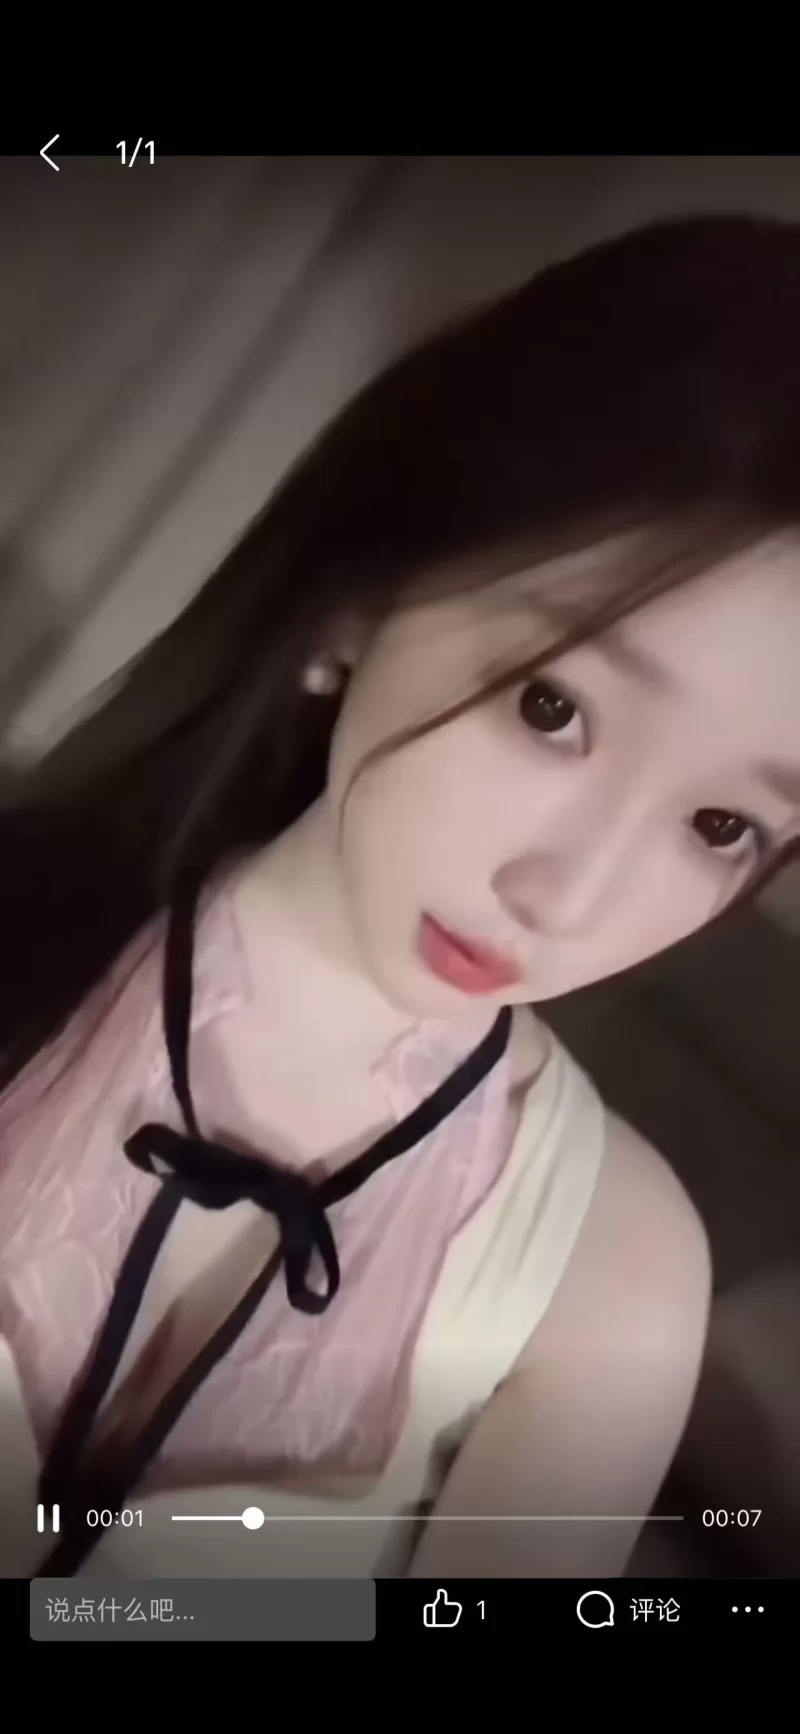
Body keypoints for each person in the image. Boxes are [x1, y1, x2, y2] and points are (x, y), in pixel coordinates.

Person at [0, 214, 798, 1582]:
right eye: (551, 706)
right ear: (363, 596)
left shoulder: (613, 1275)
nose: (568, 897)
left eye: (722, 826)